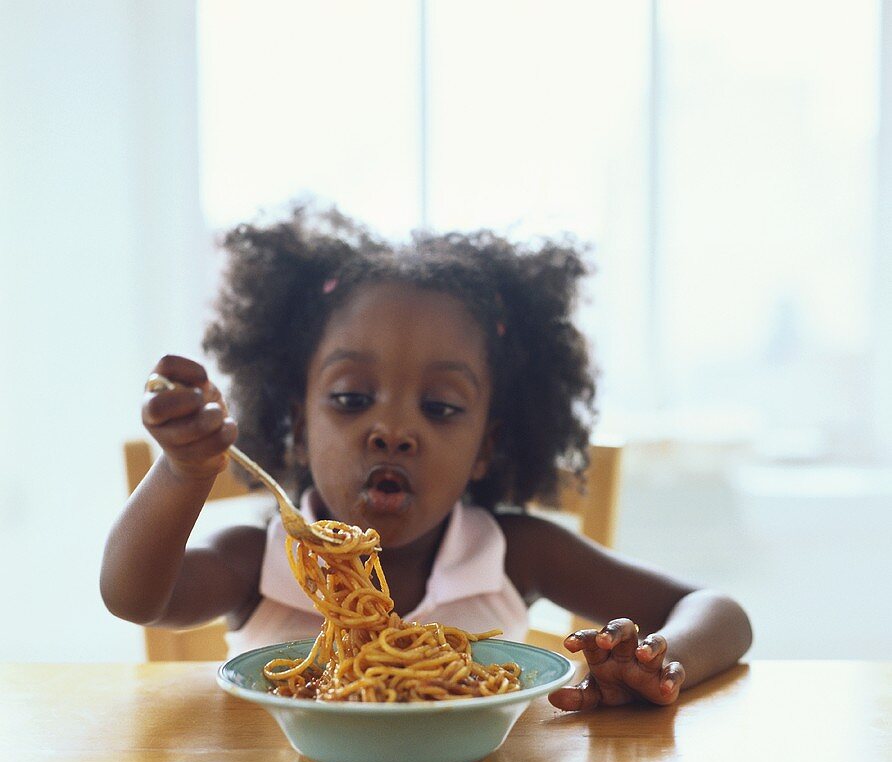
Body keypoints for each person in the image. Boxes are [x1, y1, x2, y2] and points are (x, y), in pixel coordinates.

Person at [101, 203, 752, 711]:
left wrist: (658, 662)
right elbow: (134, 596)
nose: (392, 430)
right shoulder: (262, 562)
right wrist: (182, 472)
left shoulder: (513, 553)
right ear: (297, 426)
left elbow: (720, 613)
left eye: (440, 407)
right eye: (352, 397)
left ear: (485, 448)